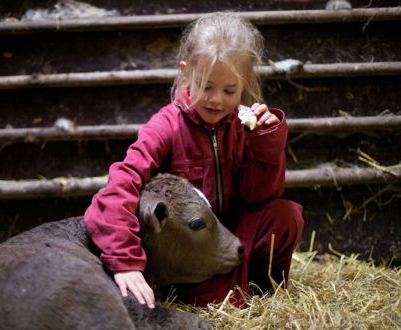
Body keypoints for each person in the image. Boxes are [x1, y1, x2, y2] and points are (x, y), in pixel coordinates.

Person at [84, 12, 304, 309]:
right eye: (205, 86)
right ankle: (232, 291)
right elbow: (119, 186)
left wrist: (267, 141)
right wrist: (125, 260)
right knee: (219, 302)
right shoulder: (165, 127)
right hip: (194, 248)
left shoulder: (244, 124)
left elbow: (261, 195)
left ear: (245, 83)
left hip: (230, 240)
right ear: (186, 73)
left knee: (285, 214)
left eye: (229, 90)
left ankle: (262, 292)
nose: (216, 100)